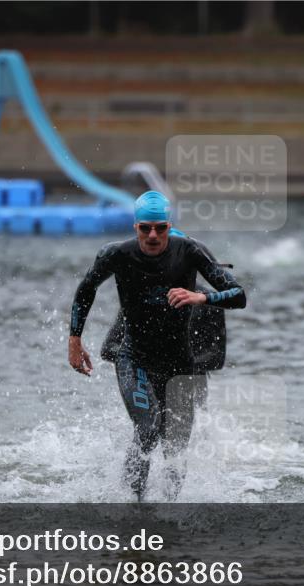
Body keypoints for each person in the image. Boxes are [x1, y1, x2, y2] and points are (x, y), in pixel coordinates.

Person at [68, 191, 247, 501]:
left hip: (181, 364)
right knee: (149, 429)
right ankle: (132, 505)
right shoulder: (116, 254)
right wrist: (74, 340)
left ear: (169, 227)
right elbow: (86, 290)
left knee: (176, 446)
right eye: (145, 228)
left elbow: (239, 295)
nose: (153, 235)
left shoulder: (189, 252)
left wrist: (201, 298)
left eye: (160, 228)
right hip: (135, 358)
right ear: (136, 226)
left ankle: (169, 510)